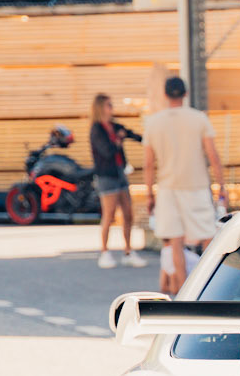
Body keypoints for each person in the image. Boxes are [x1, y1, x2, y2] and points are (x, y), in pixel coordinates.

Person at [142, 76, 225, 293]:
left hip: (167, 188)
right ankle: (208, 287)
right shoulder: (199, 119)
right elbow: (213, 156)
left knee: (175, 241)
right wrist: (221, 186)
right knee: (207, 235)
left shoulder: (153, 123)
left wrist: (149, 194)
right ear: (185, 93)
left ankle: (182, 289)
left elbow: (149, 164)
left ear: (165, 95)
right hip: (196, 186)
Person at [89, 93, 144, 270]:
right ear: (100, 108)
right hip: (106, 176)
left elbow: (130, 134)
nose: (112, 108)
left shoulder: (115, 126)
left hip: (120, 173)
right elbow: (106, 151)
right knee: (109, 214)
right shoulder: (97, 130)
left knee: (128, 213)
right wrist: (118, 140)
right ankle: (104, 252)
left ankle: (128, 251)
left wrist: (145, 139)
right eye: (109, 105)